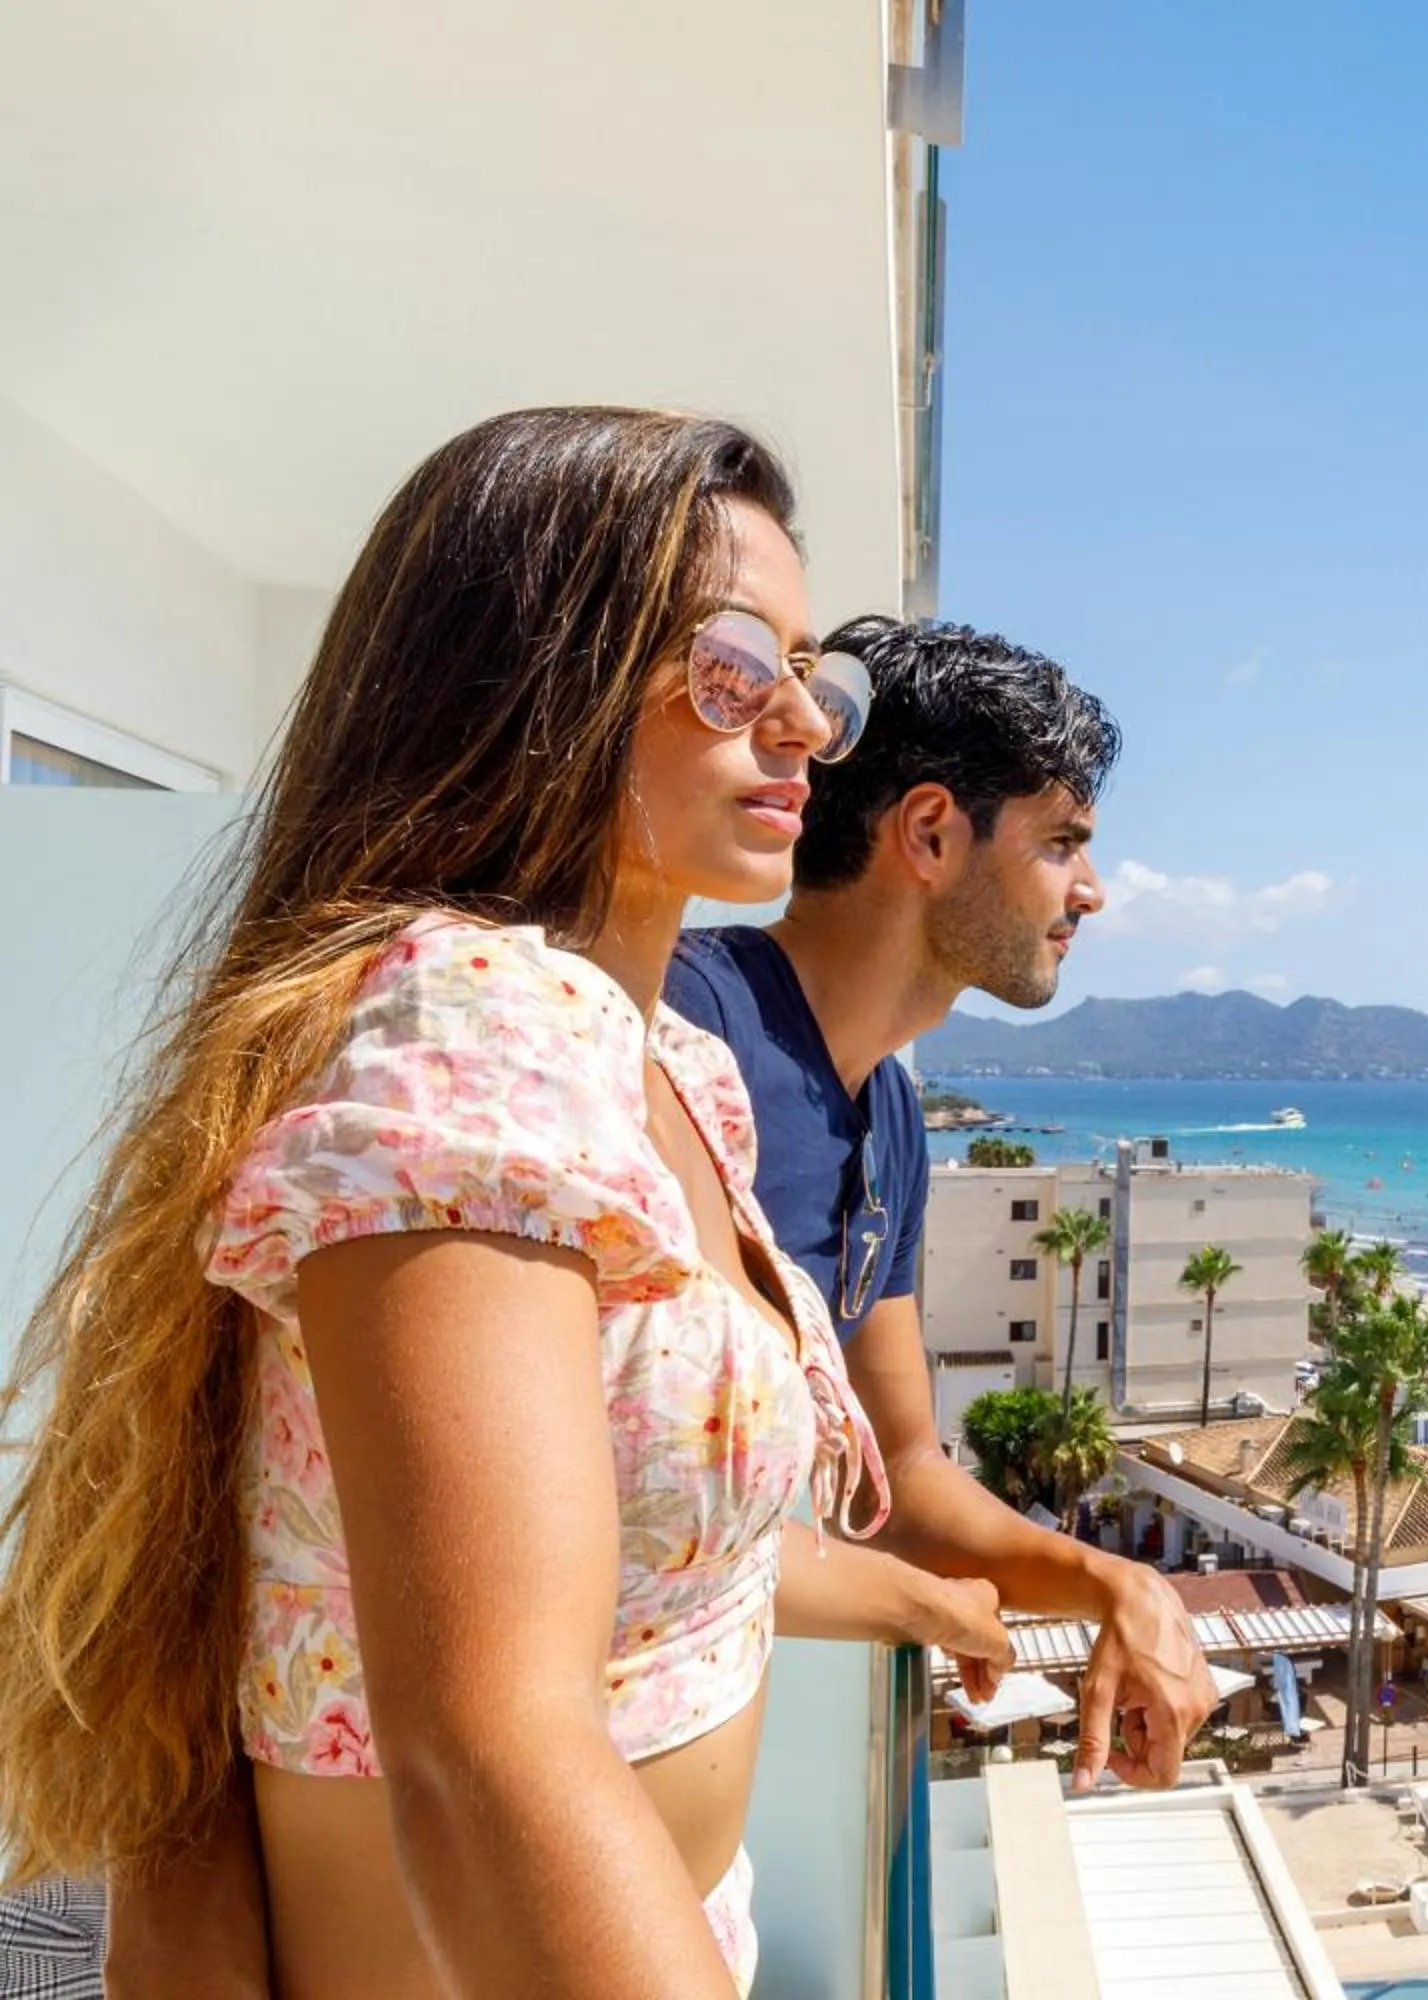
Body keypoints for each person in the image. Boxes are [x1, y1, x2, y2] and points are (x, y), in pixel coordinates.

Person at [0, 409, 1017, 1997]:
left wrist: (941, 1602)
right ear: (537, 675)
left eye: (815, 677)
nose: (804, 725)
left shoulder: (674, 1064)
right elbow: (487, 1749)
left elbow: (650, 1552)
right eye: (731, 663)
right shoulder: (472, 1031)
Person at [663, 614, 1216, 1794]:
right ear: (929, 831)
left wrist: (1119, 1582)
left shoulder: (893, 1117)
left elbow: (900, 1477)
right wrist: (921, 1605)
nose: (1092, 891)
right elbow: (623, 1500)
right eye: (1061, 843)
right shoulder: (684, 1036)